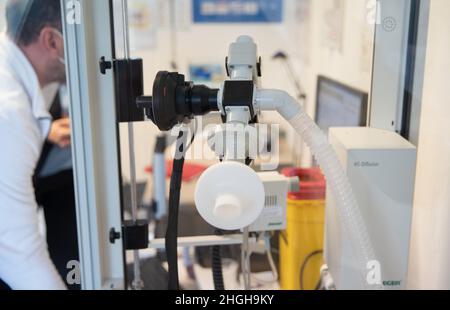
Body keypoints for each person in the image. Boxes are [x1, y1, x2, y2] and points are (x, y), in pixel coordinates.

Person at [0, 0, 68, 289]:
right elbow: (21, 255)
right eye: (79, 42)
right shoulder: (11, 113)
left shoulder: (15, 71)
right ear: (51, 40)